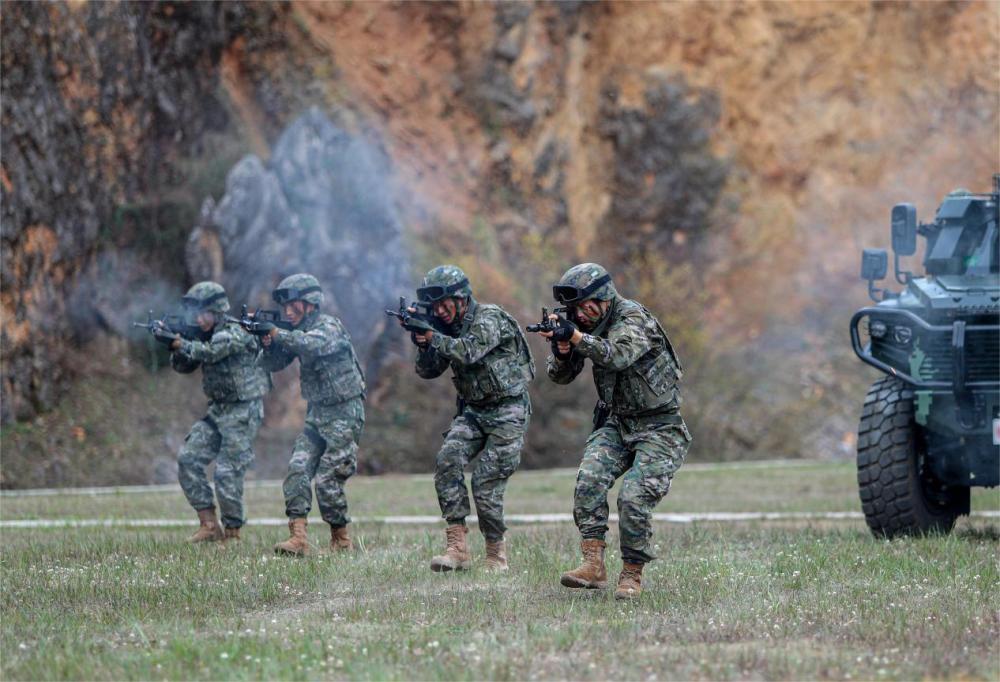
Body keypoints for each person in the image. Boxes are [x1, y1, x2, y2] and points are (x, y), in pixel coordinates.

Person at [533, 263, 691, 599]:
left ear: (603, 298)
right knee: (589, 481)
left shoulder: (633, 318)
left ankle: (631, 575)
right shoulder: (585, 327)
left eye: (584, 305)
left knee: (633, 498)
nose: (580, 314)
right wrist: (563, 350)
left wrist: (574, 336)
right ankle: (593, 564)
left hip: (660, 427)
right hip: (617, 423)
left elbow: (617, 355)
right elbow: (559, 377)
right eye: (574, 309)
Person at [404, 265, 534, 572]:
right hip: (473, 410)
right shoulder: (443, 329)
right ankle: (457, 548)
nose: (439, 310)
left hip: (509, 410)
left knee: (486, 480)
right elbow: (427, 371)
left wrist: (432, 335)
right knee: (447, 460)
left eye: (444, 303)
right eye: (434, 306)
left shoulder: (490, 318)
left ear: (462, 298)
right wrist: (423, 344)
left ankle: (495, 554)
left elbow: (468, 351)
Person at [261, 273, 366, 556]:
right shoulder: (295, 333)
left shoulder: (327, 327)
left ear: (310, 304)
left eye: (293, 305)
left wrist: (276, 333)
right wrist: (267, 343)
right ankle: (298, 538)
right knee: (297, 469)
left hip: (345, 412)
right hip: (318, 414)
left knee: (328, 479)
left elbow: (311, 344)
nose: (288, 311)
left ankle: (341, 540)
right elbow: (272, 364)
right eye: (285, 307)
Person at [169, 281, 271, 544]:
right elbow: (183, 367)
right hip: (218, 410)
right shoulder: (203, 336)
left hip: (243, 410)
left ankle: (233, 535)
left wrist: (182, 343)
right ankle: (209, 525)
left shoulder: (235, 332)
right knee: (188, 459)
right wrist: (175, 345)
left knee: (227, 471)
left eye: (203, 313)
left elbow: (214, 352)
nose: (199, 319)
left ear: (217, 312)